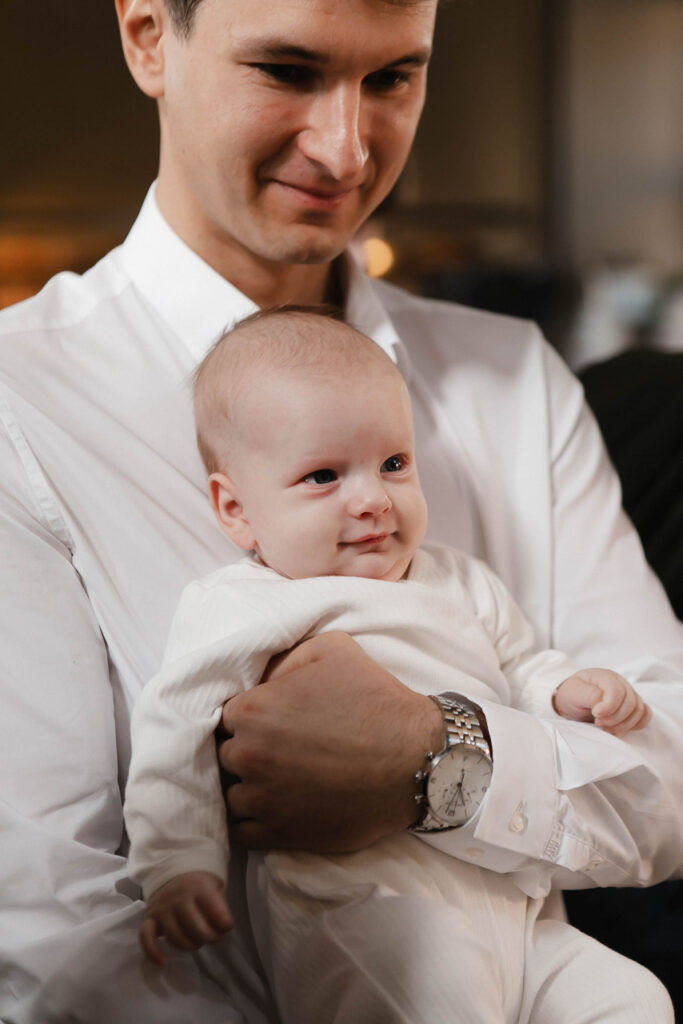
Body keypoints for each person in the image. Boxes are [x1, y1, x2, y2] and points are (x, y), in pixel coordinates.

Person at [0, 0, 682, 1021]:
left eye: (393, 77)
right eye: (286, 71)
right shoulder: (18, 407)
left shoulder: (513, 380)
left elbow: (668, 773)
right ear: (146, 36)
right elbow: (57, 937)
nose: (345, 149)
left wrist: (432, 759)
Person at [124, 306, 666, 1022]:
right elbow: (175, 729)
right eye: (323, 476)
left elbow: (522, 667)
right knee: (435, 997)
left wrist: (568, 691)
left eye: (393, 464)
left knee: (633, 998)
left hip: (515, 911)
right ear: (236, 510)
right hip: (368, 910)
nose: (373, 499)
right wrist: (177, 864)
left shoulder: (460, 580)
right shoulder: (246, 603)